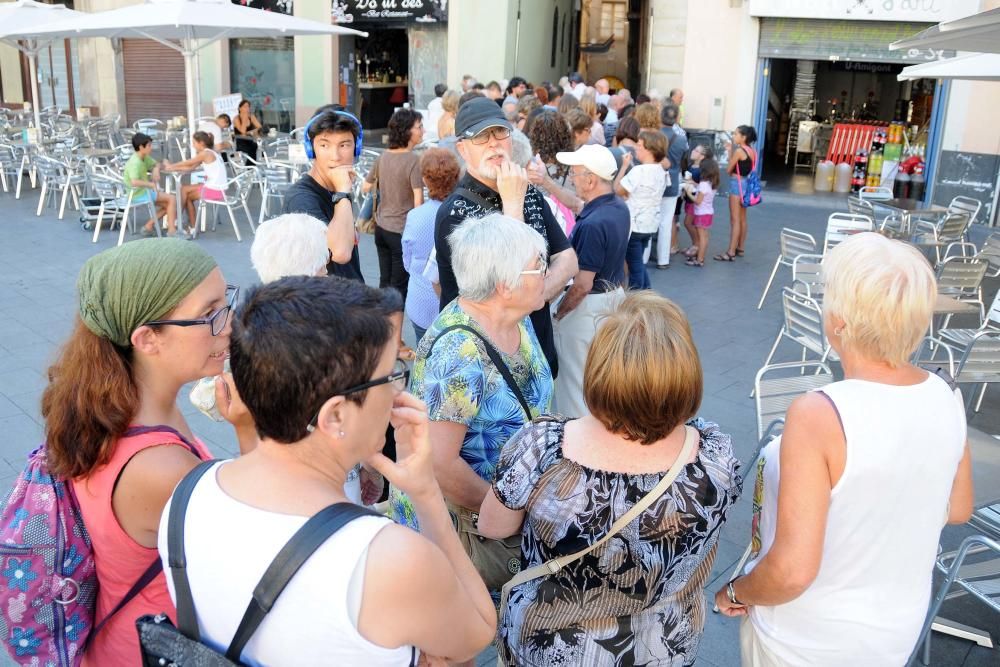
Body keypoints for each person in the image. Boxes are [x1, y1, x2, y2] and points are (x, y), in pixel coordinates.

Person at [159, 276, 497, 665]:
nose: (400, 394)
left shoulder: (189, 494)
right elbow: (476, 632)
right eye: (391, 376)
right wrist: (425, 492)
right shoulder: (385, 559)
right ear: (335, 414)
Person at [715, 233, 974, 666]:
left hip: (808, 637)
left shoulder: (820, 414)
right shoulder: (947, 394)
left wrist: (736, 591)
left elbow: (792, 571)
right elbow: (959, 507)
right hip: (894, 627)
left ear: (840, 322)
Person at [478, 290, 742, 666]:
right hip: (662, 649)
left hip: (551, 651)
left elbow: (492, 525)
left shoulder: (542, 448)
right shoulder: (715, 457)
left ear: (599, 368)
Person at [39, 239, 254, 665]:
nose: (229, 324)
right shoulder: (160, 466)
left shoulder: (119, 408)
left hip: (123, 636)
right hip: (152, 649)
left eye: (226, 301)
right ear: (147, 339)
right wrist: (249, 432)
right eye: (209, 313)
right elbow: (254, 545)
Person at [390, 215, 554, 592]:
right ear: (505, 285)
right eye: (537, 267)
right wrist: (512, 514)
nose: (545, 273)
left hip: (499, 512)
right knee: (452, 634)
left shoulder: (516, 317)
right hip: (462, 532)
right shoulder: (460, 352)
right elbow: (441, 463)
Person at [434, 96, 578, 378]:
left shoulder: (530, 192)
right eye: (481, 137)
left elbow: (569, 259)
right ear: (463, 149)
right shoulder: (455, 213)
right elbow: (508, 289)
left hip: (538, 355)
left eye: (500, 132)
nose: (493, 143)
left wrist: (537, 293)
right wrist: (512, 205)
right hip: (488, 367)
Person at [552, 144, 629, 418]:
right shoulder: (619, 207)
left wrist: (559, 314)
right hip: (613, 297)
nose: (572, 178)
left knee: (575, 386)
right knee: (602, 379)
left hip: (588, 308)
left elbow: (583, 284)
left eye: (574, 174)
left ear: (591, 178)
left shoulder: (593, 224)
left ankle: (577, 450)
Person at [363, 109, 425, 357]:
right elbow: (418, 201)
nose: (422, 131)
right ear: (408, 130)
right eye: (419, 126)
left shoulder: (383, 156)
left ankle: (381, 338)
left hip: (382, 229)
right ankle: (396, 345)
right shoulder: (413, 161)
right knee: (399, 290)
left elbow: (366, 186)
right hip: (402, 232)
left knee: (385, 284)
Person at [283, 109, 363, 282]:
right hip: (327, 304)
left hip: (351, 298)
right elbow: (340, 253)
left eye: (344, 145)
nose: (335, 157)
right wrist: (343, 192)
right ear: (311, 149)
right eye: (324, 145)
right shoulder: (301, 199)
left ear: (356, 148)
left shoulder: (336, 186)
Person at [402, 148, 460, 343]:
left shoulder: (415, 216)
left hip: (421, 298)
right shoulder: (463, 213)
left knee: (423, 357)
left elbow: (407, 261)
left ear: (425, 180)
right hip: (455, 301)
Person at [616, 130, 667, 289]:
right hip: (650, 224)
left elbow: (617, 189)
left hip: (635, 225)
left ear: (649, 149)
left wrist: (624, 167)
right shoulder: (661, 171)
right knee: (638, 263)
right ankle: (648, 295)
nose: (635, 148)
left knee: (635, 266)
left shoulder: (639, 171)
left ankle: (640, 299)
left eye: (639, 145)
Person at [163, 130, 227, 235]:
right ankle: (191, 227)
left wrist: (171, 166)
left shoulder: (205, 153)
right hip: (218, 189)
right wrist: (174, 168)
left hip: (215, 191)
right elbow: (191, 167)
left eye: (194, 143)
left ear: (201, 143)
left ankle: (176, 220)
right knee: (186, 195)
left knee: (183, 190)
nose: (193, 146)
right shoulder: (211, 152)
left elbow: (188, 162)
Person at [123, 132, 179, 237]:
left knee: (169, 205)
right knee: (172, 199)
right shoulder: (135, 162)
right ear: (141, 147)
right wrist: (151, 185)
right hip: (137, 194)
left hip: (143, 192)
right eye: (149, 146)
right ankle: (172, 231)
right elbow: (134, 181)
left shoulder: (144, 157)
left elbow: (157, 164)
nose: (151, 148)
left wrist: (156, 169)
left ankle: (149, 226)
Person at [715, 124, 757, 262]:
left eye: (736, 134)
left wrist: (729, 154)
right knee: (743, 218)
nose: (733, 136)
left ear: (743, 137)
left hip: (736, 185)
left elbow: (728, 169)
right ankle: (740, 248)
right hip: (746, 185)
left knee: (735, 220)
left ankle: (730, 252)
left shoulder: (739, 151)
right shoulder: (752, 151)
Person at [656, 104, 688, 269]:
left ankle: (644, 257)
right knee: (666, 222)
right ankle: (663, 259)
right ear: (676, 118)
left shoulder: (654, 136)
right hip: (673, 180)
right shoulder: (681, 139)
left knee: (649, 218)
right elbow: (684, 159)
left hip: (654, 180)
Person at [685, 156, 719, 267]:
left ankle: (699, 259)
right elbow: (701, 188)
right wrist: (694, 184)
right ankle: (700, 257)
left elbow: (698, 201)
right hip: (709, 212)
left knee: (701, 237)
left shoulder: (704, 184)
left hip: (701, 213)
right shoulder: (712, 183)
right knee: (705, 236)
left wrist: (688, 192)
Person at [680, 144, 712, 258]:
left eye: (696, 151)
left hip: (695, 200)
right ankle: (695, 244)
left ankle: (697, 244)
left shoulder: (702, 170)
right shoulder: (691, 165)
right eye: (694, 149)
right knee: (690, 223)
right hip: (689, 198)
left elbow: (705, 186)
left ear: (702, 156)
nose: (693, 151)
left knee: (688, 223)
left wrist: (692, 183)